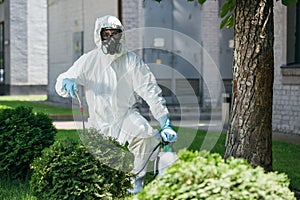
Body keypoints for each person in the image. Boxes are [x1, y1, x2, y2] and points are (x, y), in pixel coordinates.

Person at [55, 15, 177, 194]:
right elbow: (63, 79)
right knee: (101, 167)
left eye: (115, 34)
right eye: (107, 34)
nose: (111, 39)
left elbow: (150, 91)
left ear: (122, 36)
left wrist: (165, 122)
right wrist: (66, 82)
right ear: (99, 36)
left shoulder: (131, 61)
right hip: (99, 121)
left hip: (126, 116)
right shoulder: (89, 60)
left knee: (147, 136)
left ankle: (134, 186)